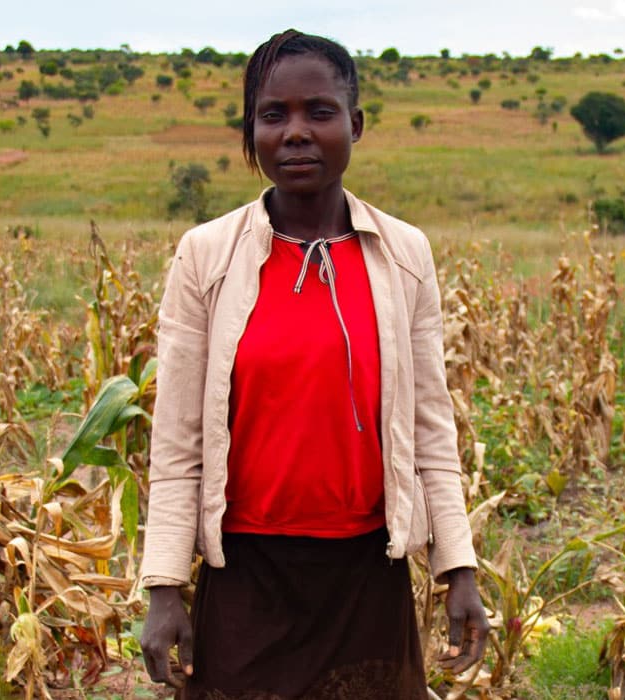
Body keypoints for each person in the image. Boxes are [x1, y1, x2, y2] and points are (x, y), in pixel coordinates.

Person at [139, 29, 489, 699]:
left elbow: (430, 428)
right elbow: (178, 442)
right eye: (274, 115)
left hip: (365, 574)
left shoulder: (404, 254)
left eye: (319, 112)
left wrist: (458, 569)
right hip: (244, 575)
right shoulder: (206, 257)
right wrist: (163, 588)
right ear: (251, 133)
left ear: (354, 125)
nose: (296, 132)